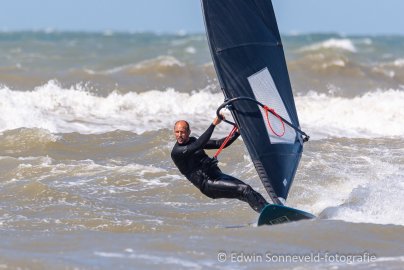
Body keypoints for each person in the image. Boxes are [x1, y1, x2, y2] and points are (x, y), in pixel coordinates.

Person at [171, 115, 268, 213]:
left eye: (182, 132)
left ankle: (269, 209)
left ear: (188, 132)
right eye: (177, 132)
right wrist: (213, 124)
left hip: (217, 176)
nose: (179, 135)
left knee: (248, 191)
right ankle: (267, 214)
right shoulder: (177, 152)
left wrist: (237, 133)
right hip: (208, 184)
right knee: (244, 189)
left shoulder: (192, 140)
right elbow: (198, 145)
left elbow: (218, 143)